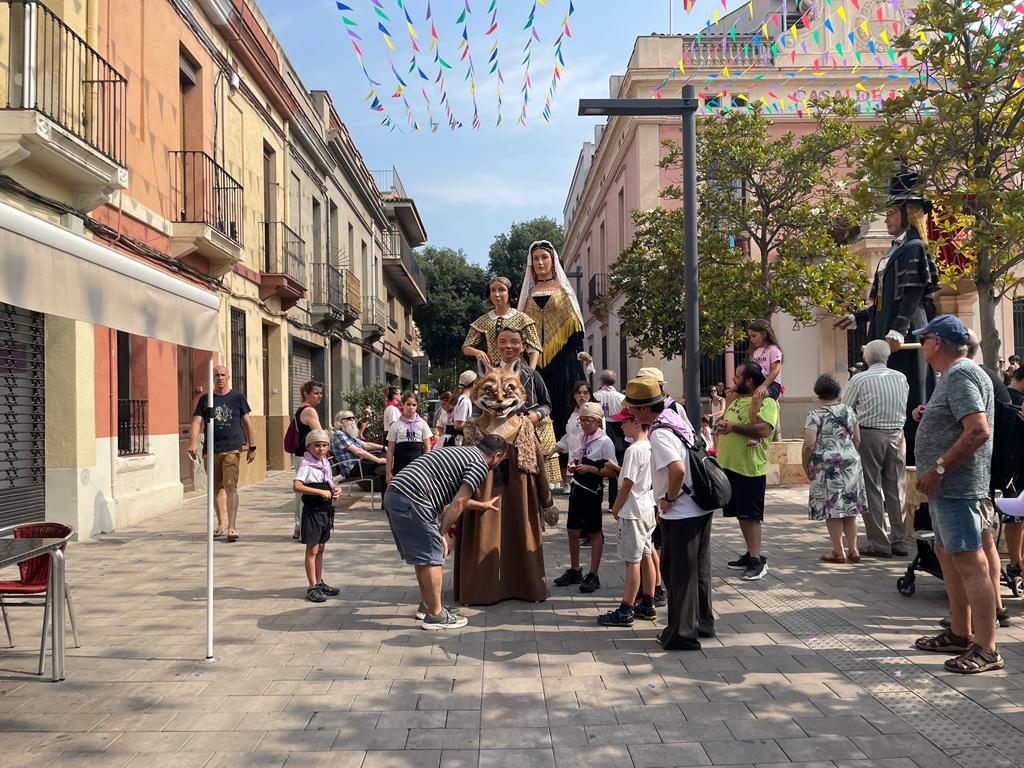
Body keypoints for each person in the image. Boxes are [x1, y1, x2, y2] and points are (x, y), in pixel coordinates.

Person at [911, 314, 1002, 674]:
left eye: (924, 339)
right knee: (948, 554)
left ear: (936, 343)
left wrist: (939, 469)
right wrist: (929, 415)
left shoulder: (961, 374)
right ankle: (960, 632)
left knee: (969, 560)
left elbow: (978, 430)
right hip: (952, 489)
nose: (920, 345)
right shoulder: (957, 375)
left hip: (957, 487)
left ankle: (987, 647)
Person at [835, 172, 940, 465]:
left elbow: (912, 294)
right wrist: (857, 317)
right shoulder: (895, 250)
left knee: (911, 393)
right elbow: (883, 302)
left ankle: (915, 456)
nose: (888, 217)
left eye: (893, 212)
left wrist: (898, 330)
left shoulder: (915, 248)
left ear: (908, 214)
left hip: (904, 332)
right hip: (887, 331)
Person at [625, 377, 715, 650]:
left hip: (682, 512)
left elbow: (677, 469)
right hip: (699, 507)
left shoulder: (660, 433)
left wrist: (668, 499)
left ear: (642, 411)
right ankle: (701, 622)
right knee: (698, 571)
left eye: (632, 409)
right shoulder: (676, 419)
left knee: (678, 573)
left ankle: (682, 633)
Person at [455, 358, 554, 605]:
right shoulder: (472, 428)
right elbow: (459, 470)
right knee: (483, 540)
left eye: (508, 392)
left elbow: (539, 465)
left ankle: (526, 586)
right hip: (482, 498)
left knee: (522, 538)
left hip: (520, 499)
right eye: (490, 393)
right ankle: (482, 591)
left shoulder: (524, 426)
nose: (500, 400)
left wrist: (547, 501)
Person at [383, 436, 506, 630]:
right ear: (497, 456)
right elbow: (458, 503)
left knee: (423, 556)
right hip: (414, 499)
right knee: (434, 556)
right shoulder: (480, 464)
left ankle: (429, 605)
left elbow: (457, 499)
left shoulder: (462, 452)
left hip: (395, 495)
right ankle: (436, 616)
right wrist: (442, 533)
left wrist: (481, 505)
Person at [517, 240, 594, 485]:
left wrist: (581, 353)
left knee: (563, 412)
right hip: (535, 364)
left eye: (544, 258)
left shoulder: (564, 291)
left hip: (564, 361)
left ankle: (566, 471)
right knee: (535, 412)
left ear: (552, 261)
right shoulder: (527, 295)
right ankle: (537, 469)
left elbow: (576, 325)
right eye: (536, 258)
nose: (540, 262)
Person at [842, 339, 910, 558]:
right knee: (896, 487)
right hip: (897, 434)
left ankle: (879, 542)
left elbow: (846, 409)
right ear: (887, 357)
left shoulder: (859, 379)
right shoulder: (901, 378)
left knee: (871, 487)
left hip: (869, 434)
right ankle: (899, 540)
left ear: (866, 357)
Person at [716, 360, 778, 581]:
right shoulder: (735, 400)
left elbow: (762, 429)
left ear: (749, 381)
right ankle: (750, 552)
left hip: (749, 468)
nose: (733, 380)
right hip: (730, 466)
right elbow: (727, 423)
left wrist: (734, 427)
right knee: (741, 514)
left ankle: (756, 559)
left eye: (738, 376)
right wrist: (723, 426)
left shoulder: (766, 402)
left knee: (751, 516)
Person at [598, 406, 657, 627]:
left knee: (632, 561)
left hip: (632, 511)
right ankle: (648, 602)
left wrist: (616, 506)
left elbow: (628, 483)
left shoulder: (633, 450)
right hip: (646, 507)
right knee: (646, 555)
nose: (621, 426)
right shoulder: (649, 446)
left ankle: (626, 609)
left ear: (635, 421)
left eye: (624, 422)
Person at [553, 402, 616, 593]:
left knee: (594, 532)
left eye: (588, 421)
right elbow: (576, 457)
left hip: (592, 490)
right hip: (577, 487)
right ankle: (575, 569)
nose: (585, 424)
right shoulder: (581, 437)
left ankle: (593, 573)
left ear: (598, 421)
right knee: (572, 529)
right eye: (582, 420)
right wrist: (573, 465)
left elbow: (613, 472)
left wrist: (592, 469)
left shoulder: (605, 442)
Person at [803, 374, 866, 564]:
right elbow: (857, 439)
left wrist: (805, 463)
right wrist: (847, 452)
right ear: (838, 391)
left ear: (818, 392)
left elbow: (809, 444)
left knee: (833, 508)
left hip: (827, 464)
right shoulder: (848, 411)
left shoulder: (815, 415)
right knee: (850, 507)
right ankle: (854, 548)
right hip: (851, 463)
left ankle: (838, 550)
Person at [188, 365, 256, 542]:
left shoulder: (238, 397)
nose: (220, 378)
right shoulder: (206, 399)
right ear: (213, 377)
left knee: (230, 486)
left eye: (223, 375)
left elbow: (247, 422)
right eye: (217, 375)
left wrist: (252, 446)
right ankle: (221, 524)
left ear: (228, 377)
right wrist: (193, 442)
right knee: (216, 488)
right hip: (210, 451)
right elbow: (196, 421)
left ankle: (232, 527)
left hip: (232, 449)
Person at [293, 429, 341, 603]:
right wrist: (319, 492)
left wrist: (335, 489)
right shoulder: (307, 465)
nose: (321, 449)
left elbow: (329, 482)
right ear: (309, 447)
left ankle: (319, 581)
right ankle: (312, 585)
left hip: (325, 511)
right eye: (317, 445)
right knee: (312, 549)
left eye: (324, 445)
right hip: (313, 511)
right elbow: (297, 486)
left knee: (321, 548)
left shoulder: (324, 463)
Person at [463, 276, 542, 368]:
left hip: (517, 370)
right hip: (493, 370)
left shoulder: (522, 319)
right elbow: (466, 347)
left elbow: (534, 348)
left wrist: (531, 372)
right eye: (493, 290)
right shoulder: (483, 321)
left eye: (501, 290)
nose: (497, 294)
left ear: (510, 293)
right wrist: (476, 352)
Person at [290, 380, 325, 539]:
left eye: (321, 393)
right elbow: (319, 434)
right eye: (316, 393)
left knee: (300, 492)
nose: (320, 396)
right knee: (306, 491)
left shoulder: (300, 409)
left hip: (300, 455)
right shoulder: (309, 410)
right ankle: (304, 528)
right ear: (306, 394)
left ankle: (299, 528)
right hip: (307, 456)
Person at [595, 370, 627, 509]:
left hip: (600, 430)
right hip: (618, 431)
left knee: (597, 465)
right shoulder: (621, 397)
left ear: (601, 382)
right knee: (616, 466)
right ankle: (613, 502)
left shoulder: (595, 396)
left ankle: (596, 499)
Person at [330, 410, 386, 488]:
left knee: (385, 456)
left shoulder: (348, 435)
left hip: (358, 463)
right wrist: (378, 460)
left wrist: (384, 448)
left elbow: (366, 445)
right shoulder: (339, 434)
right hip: (352, 468)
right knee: (385, 466)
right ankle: (387, 494)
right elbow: (358, 452)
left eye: (353, 418)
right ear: (340, 422)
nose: (352, 420)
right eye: (349, 418)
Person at [386, 393, 433, 485]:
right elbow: (390, 451)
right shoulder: (395, 425)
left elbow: (427, 448)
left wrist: (425, 467)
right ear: (402, 405)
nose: (411, 407)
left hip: (418, 467)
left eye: (414, 405)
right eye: (408, 404)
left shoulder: (423, 424)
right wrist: (388, 472)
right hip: (400, 466)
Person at [448, 371, 477, 446]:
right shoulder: (465, 401)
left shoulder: (461, 399)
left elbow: (453, 419)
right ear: (474, 384)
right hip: (461, 440)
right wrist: (474, 424)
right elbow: (457, 425)